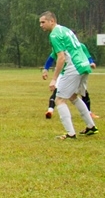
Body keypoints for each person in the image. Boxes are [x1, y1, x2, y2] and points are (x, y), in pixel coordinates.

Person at [39, 11, 98, 140]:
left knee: (59, 100)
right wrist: (46, 68)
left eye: (43, 22)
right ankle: (90, 126)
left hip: (73, 67)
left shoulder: (54, 35)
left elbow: (61, 58)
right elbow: (77, 47)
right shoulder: (65, 30)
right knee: (73, 96)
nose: (41, 25)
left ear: (52, 21)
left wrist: (54, 79)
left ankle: (70, 133)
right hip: (83, 65)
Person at [42, 48, 98, 120]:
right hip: (65, 73)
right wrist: (46, 69)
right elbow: (51, 58)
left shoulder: (80, 46)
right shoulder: (61, 47)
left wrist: (91, 62)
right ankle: (50, 111)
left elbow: (87, 56)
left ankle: (89, 114)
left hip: (78, 72)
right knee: (58, 92)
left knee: (83, 93)